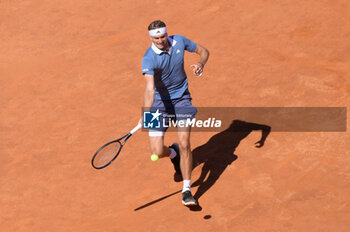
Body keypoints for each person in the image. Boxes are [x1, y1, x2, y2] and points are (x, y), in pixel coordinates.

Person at [139, 20, 209, 206]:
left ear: (166, 34)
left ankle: (186, 190)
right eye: (156, 38)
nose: (160, 41)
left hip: (182, 100)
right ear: (151, 38)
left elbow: (204, 51)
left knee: (185, 142)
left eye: (162, 36)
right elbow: (149, 89)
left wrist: (201, 63)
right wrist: (147, 113)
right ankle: (173, 154)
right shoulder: (148, 58)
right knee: (156, 151)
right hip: (158, 105)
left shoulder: (179, 41)